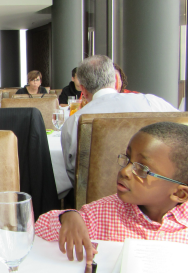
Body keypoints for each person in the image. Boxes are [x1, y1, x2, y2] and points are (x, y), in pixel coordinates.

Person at [38, 122, 188, 264]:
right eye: (128, 159)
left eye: (142, 170)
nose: (124, 171)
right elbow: (40, 228)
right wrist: (68, 217)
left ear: (180, 194)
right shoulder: (102, 214)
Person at [61, 55, 178, 186]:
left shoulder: (75, 121)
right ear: (117, 80)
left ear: (83, 89)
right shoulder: (153, 103)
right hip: (160, 192)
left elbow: (74, 173)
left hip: (98, 196)